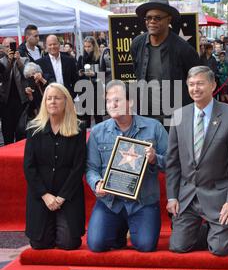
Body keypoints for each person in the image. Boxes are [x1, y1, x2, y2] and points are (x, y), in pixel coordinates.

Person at [166, 66, 228, 256]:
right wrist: (172, 196)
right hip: (188, 197)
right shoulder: (179, 115)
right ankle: (212, 231)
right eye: (191, 84)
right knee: (178, 246)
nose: (196, 88)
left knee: (220, 250)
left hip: (218, 195)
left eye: (200, 83)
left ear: (213, 85)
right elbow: (172, 161)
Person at [86, 80, 168, 252]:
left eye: (117, 100)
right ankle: (119, 230)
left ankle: (133, 228)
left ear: (130, 102)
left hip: (142, 201)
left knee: (146, 246)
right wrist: (96, 183)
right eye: (108, 101)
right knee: (96, 245)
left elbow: (172, 163)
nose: (112, 104)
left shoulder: (154, 128)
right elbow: (91, 168)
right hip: (110, 201)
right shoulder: (97, 132)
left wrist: (155, 158)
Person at [24, 83, 86, 250]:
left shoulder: (78, 128)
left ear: (66, 101)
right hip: (41, 194)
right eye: (49, 98)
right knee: (39, 243)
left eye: (57, 98)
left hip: (68, 195)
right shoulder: (33, 129)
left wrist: (61, 198)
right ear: (44, 102)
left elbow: (78, 166)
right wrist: (45, 195)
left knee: (69, 244)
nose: (52, 102)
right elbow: (29, 167)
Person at [131, 0, 200, 128]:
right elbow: (137, 74)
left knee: (174, 149)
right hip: (146, 115)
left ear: (169, 19)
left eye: (157, 18)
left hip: (176, 116)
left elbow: (196, 81)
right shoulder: (137, 44)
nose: (152, 21)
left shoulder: (184, 49)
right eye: (148, 18)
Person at [0, 37, 29, 144]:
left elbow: (27, 75)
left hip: (21, 102)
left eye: (12, 46)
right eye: (7, 46)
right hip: (5, 104)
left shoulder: (24, 59)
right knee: (7, 133)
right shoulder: (1, 62)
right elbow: (4, 77)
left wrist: (18, 61)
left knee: (21, 133)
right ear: (2, 48)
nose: (9, 49)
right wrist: (9, 61)